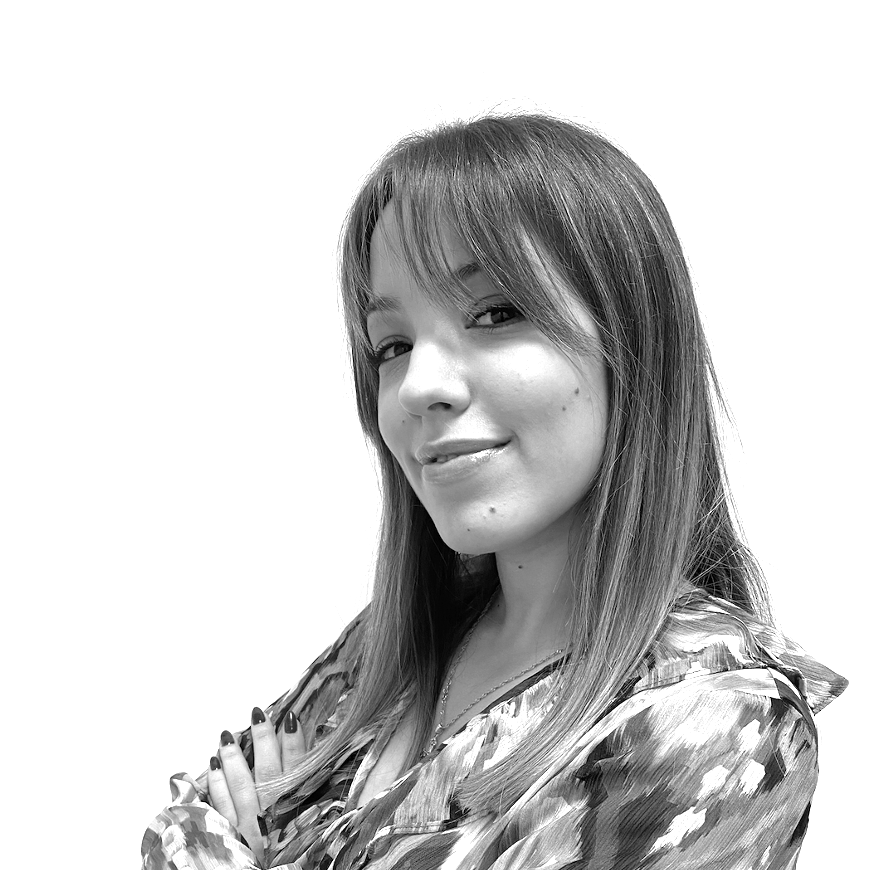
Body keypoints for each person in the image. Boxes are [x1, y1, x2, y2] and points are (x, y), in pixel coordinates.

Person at [141, 113, 847, 870]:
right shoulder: (392, 644)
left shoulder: (713, 718)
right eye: (392, 345)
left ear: (634, 342)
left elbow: (198, 843)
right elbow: (182, 819)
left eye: (497, 312)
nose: (418, 385)